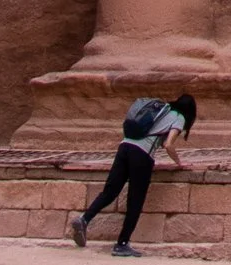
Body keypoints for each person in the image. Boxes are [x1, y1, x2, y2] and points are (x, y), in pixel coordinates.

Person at [69, 93, 196, 251]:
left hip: (124, 147)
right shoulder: (179, 117)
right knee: (135, 200)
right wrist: (179, 163)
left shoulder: (161, 109)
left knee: (110, 191)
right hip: (141, 155)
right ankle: (122, 244)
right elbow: (168, 144)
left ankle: (84, 219)